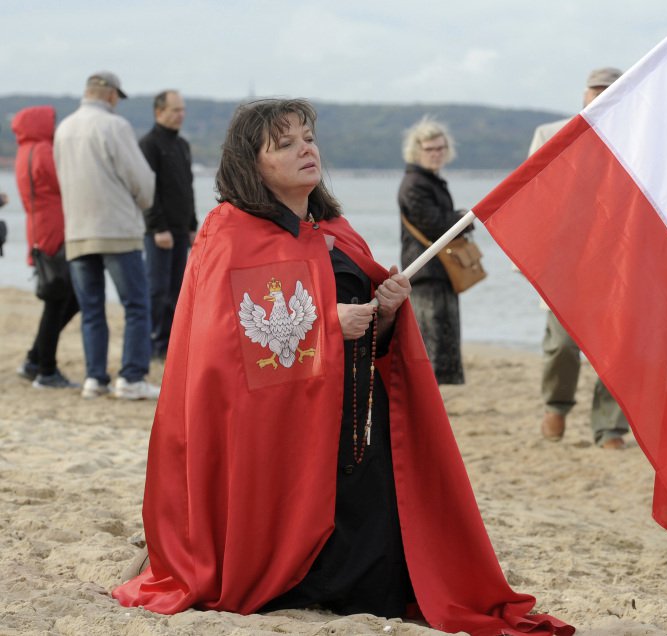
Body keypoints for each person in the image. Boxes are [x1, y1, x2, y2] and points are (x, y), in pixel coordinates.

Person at [112, 99, 571, 635]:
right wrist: (326, 323)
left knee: (378, 586)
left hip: (355, 434)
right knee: (292, 579)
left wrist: (389, 310)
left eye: (307, 137)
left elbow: (372, 338)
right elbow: (221, 342)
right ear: (251, 163)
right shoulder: (226, 232)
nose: (306, 148)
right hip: (279, 444)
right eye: (284, 143)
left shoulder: (335, 230)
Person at [528, 67, 630, 450]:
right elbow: (531, 198)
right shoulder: (550, 135)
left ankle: (610, 427)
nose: (602, 97)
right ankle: (556, 405)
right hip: (564, 263)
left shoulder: (636, 141)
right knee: (562, 345)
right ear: (584, 95)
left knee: (618, 347)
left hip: (618, 260)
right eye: (597, 91)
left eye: (611, 91)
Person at [53, 71, 158, 400]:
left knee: (92, 309)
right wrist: (144, 203)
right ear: (111, 95)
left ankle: (94, 378)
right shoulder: (115, 127)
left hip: (78, 230)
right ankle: (131, 377)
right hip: (115, 228)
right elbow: (140, 178)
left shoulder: (64, 128)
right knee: (137, 305)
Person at [11, 105, 81, 389]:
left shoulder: (25, 151)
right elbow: (67, 183)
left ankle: (35, 358)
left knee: (64, 298)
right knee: (59, 301)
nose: (55, 127)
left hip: (41, 230)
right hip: (54, 231)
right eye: (51, 122)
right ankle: (45, 369)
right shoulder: (41, 151)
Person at [398, 116, 469, 384]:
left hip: (439, 271)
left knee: (441, 344)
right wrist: (464, 218)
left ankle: (434, 397)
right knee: (431, 346)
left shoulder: (430, 181)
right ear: (417, 151)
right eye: (430, 149)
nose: (436, 154)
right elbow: (434, 225)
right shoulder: (415, 184)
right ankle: (428, 398)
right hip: (425, 273)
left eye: (440, 148)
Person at [139, 90, 198, 361]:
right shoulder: (149, 144)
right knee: (157, 289)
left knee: (177, 289)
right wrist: (157, 227)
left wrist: (192, 224)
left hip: (180, 229)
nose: (180, 115)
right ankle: (152, 344)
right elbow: (147, 191)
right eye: (175, 110)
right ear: (159, 112)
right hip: (158, 232)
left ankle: (169, 345)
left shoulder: (182, 145)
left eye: (182, 109)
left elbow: (187, 188)